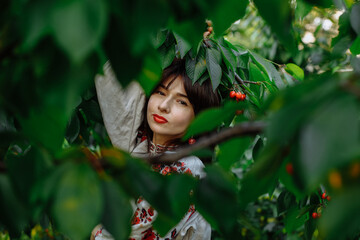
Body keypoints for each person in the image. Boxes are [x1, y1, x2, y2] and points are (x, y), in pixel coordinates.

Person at [91, 58, 220, 240]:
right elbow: (110, 74)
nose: (163, 106)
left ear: (199, 119)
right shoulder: (141, 148)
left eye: (182, 102)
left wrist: (96, 230)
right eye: (160, 92)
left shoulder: (186, 169)